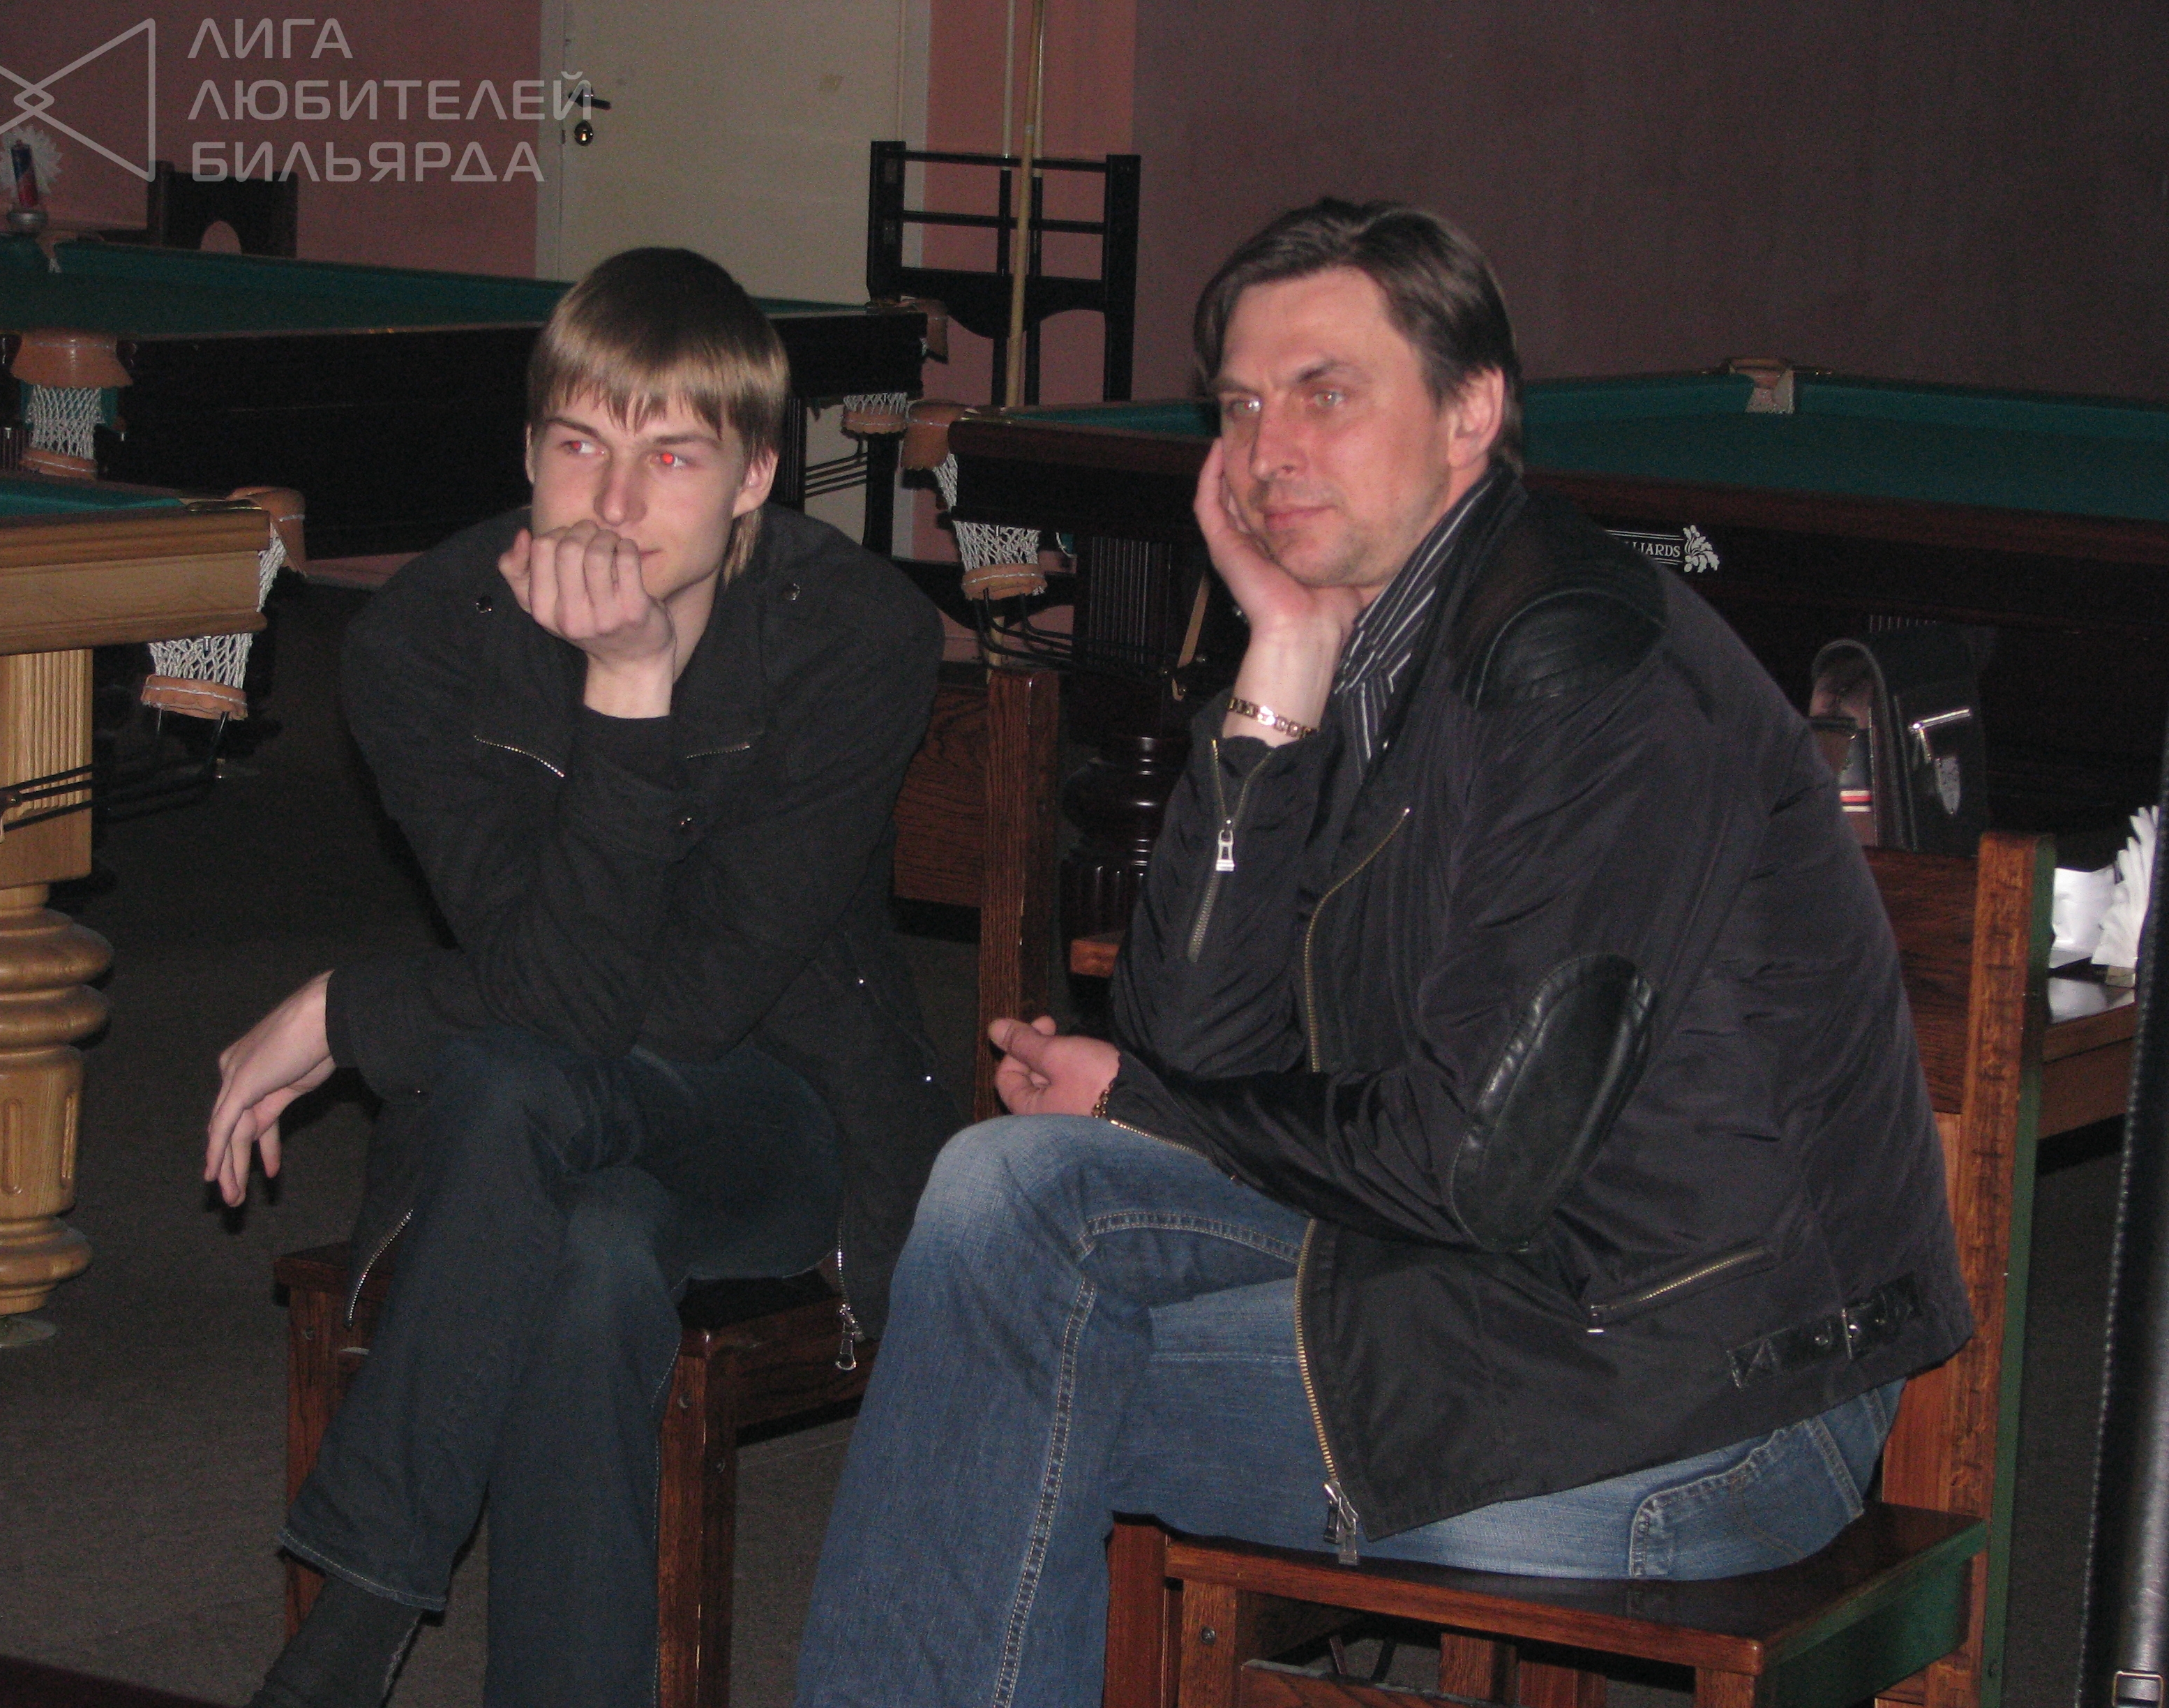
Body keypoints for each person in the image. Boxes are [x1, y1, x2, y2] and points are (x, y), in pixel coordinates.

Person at [792, 200, 1972, 1707]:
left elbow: (1473, 1161)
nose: (1269, 449)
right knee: (1005, 1194)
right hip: (1488, 1281)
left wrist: (1140, 1105)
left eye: (1326, 393)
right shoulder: (1378, 635)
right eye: (1239, 405)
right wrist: (1276, 663)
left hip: (1701, 1397)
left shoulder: (1578, 667)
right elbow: (1194, 1037)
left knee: (1000, 1383)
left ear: (1471, 413)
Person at [204, 247, 952, 1708]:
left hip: (781, 1117)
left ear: (755, 477)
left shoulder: (855, 634)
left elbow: (692, 1009)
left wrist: (358, 1009)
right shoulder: (425, 642)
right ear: (528, 456)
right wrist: (625, 687)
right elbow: (567, 998)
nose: (612, 503)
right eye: (578, 447)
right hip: (540, 1128)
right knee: (594, 1249)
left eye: (671, 456)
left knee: (509, 1077)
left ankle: (353, 1627)